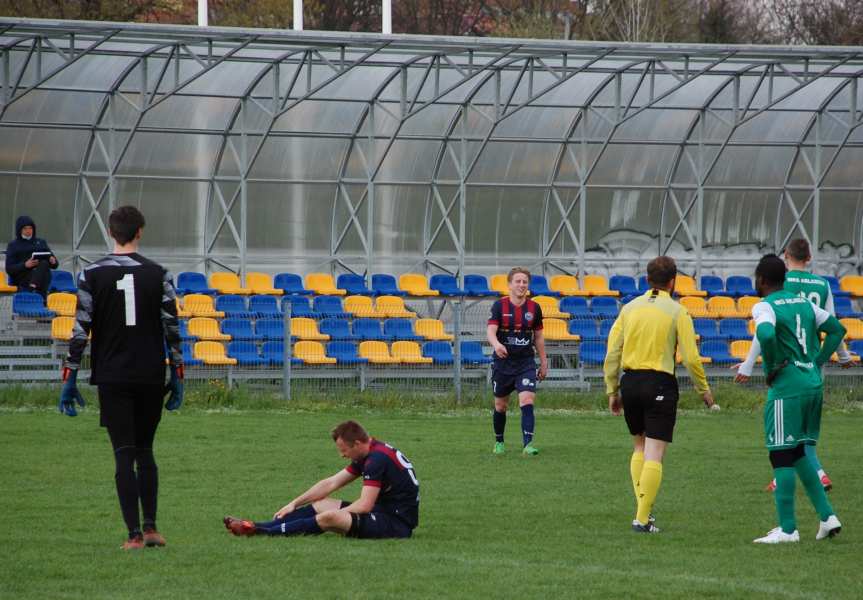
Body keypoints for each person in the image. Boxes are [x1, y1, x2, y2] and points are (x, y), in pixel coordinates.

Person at [59, 205, 184, 550]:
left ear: (111, 233)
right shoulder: (158, 273)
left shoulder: (91, 274)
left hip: (113, 377)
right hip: (149, 375)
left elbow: (80, 328)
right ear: (140, 232)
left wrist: (69, 376)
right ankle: (152, 528)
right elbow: (172, 326)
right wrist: (178, 372)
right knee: (146, 452)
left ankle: (133, 535)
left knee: (123, 455)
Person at [603, 256, 714, 534]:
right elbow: (690, 357)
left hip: (630, 382)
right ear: (673, 281)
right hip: (660, 384)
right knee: (654, 453)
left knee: (639, 448)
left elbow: (612, 351)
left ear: (647, 279)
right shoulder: (678, 311)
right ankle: (641, 519)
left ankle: (645, 512)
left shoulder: (629, 308)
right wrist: (704, 390)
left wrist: (612, 389)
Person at [735, 238, 850, 493]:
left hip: (786, 365)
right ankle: (822, 502)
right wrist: (838, 356)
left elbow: (764, 331)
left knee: (785, 428)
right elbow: (832, 323)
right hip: (810, 360)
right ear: (809, 257)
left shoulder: (779, 291)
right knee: (805, 429)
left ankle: (796, 478)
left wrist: (749, 364)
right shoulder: (822, 285)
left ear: (786, 256)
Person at [746, 254, 844, 544]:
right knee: (799, 451)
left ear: (761, 280)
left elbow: (765, 333)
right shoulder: (805, 304)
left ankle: (787, 529)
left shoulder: (764, 305)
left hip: (787, 388)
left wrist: (774, 364)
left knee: (780, 453)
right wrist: (816, 362)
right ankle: (827, 517)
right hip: (812, 385)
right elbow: (838, 330)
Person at [223, 420, 419, 540]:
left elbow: (365, 505)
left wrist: (329, 517)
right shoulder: (370, 450)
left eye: (344, 450)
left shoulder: (376, 459)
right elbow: (331, 483)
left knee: (330, 516)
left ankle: (261, 533)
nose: (342, 455)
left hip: (396, 524)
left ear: (357, 443)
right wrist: (294, 504)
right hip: (383, 512)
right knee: (322, 504)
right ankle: (258, 525)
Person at [486, 267, 547, 456]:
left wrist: (543, 362)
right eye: (518, 281)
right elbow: (491, 331)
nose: (521, 285)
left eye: (525, 282)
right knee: (500, 406)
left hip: (525, 363)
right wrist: (496, 344)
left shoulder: (534, 308)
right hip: (503, 363)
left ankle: (527, 444)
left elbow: (538, 337)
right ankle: (499, 442)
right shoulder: (499, 306)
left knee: (527, 399)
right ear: (510, 284)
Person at [5, 215, 58, 298]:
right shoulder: (13, 245)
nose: (28, 231)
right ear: (19, 230)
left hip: (40, 275)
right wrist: (25, 265)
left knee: (44, 264)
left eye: (30, 228)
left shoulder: (41, 242)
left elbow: (55, 265)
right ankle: (41, 298)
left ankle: (32, 287)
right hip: (22, 276)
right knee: (43, 270)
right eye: (25, 228)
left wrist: (53, 261)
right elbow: (9, 269)